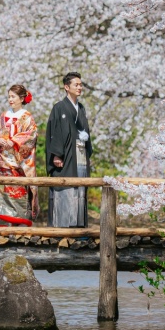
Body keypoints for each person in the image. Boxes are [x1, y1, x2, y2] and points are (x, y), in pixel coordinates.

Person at [0, 84, 39, 226]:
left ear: (22, 98)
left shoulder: (27, 117)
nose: (10, 99)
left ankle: (17, 227)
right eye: (9, 96)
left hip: (17, 164)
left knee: (17, 195)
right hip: (1, 161)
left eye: (13, 96)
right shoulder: (4, 115)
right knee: (0, 196)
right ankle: (2, 228)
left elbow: (31, 135)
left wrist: (14, 141)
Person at [46, 72, 92, 227]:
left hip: (80, 154)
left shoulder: (81, 108)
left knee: (80, 188)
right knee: (65, 187)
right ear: (67, 87)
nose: (79, 87)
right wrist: (56, 155)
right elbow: (56, 131)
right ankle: (64, 226)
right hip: (65, 156)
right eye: (76, 85)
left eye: (80, 84)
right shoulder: (59, 107)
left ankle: (79, 227)